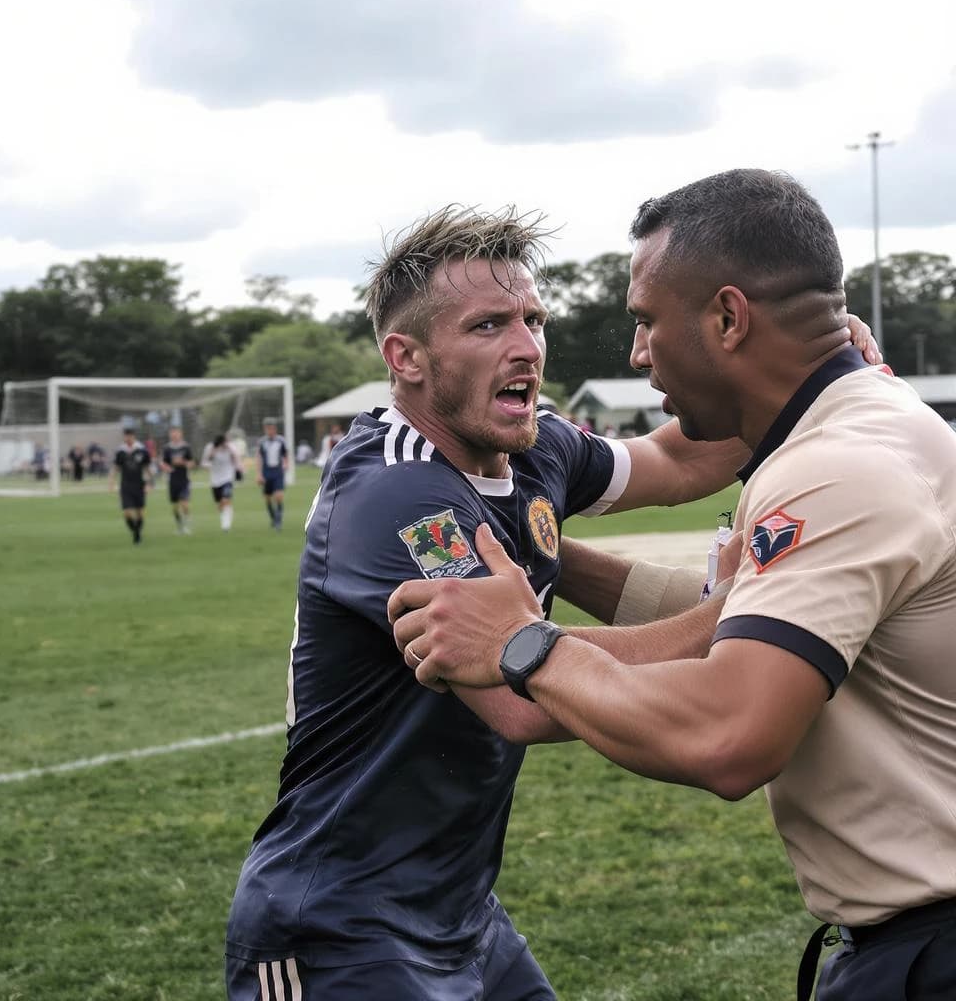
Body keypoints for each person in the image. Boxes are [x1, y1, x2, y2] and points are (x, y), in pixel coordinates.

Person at [389, 171, 956, 1001]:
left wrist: (521, 643)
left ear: (728, 318)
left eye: (648, 321)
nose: (638, 353)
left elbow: (730, 735)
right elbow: (736, 618)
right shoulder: (872, 423)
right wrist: (544, 555)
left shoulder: (836, 468)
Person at [224, 204, 752, 1001]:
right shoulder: (398, 492)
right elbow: (526, 700)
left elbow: (678, 459)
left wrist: (805, 374)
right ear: (405, 357)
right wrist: (739, 612)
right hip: (340, 924)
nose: (527, 346)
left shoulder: (533, 444)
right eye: (488, 325)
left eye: (533, 318)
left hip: (460, 909)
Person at [107, 426, 152, 544]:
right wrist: (111, 482)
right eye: (125, 436)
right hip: (126, 485)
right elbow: (115, 468)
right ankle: (136, 532)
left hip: (139, 485)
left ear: (133, 436)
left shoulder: (142, 450)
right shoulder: (120, 451)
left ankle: (137, 534)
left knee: (140, 512)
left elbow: (147, 468)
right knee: (126, 511)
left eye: (129, 436)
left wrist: (149, 484)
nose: (127, 438)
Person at [202, 432, 242, 532]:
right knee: (220, 505)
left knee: (225, 500)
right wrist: (214, 451)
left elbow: (237, 459)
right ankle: (227, 513)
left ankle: (226, 526)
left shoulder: (231, 447)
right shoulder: (210, 447)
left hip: (228, 478)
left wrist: (239, 471)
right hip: (215, 480)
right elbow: (204, 463)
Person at [255, 418, 289, 530]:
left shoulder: (281, 441)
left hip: (277, 471)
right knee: (268, 498)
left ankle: (278, 521)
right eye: (267, 428)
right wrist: (259, 474)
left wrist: (286, 464)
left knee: (279, 496)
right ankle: (273, 517)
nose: (269, 430)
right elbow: (259, 458)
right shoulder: (262, 442)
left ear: (275, 429)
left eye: (271, 428)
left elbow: (285, 455)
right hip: (266, 472)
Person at [160, 425, 194, 534]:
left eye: (176, 432)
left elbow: (192, 463)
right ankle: (180, 526)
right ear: (170, 434)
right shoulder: (167, 448)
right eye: (172, 433)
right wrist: (166, 467)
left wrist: (183, 463)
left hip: (184, 479)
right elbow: (163, 463)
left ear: (180, 434)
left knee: (184, 503)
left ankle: (187, 524)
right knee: (175, 506)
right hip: (172, 480)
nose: (174, 435)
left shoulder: (186, 447)